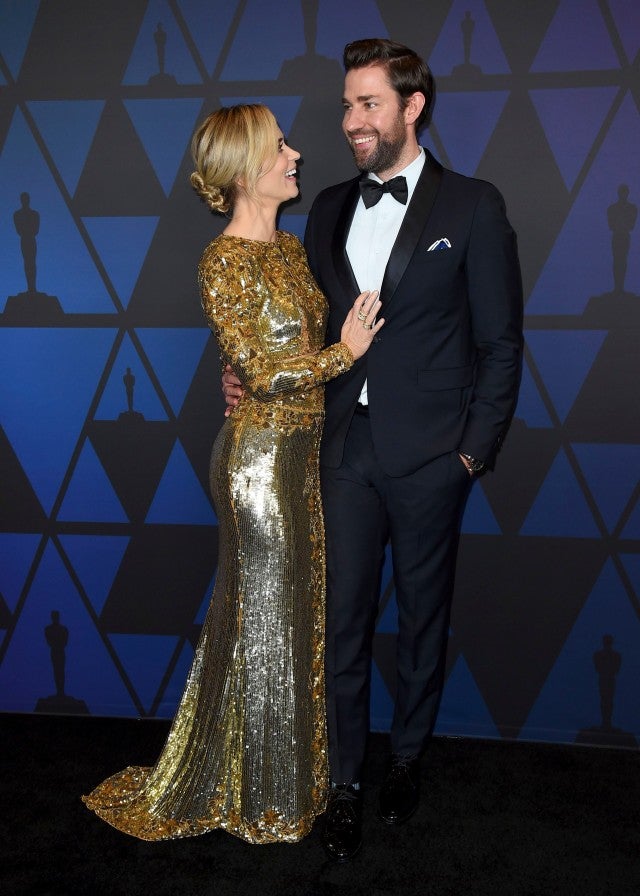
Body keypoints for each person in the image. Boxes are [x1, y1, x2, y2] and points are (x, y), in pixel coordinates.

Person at [223, 38, 523, 861]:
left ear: (411, 107)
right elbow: (296, 329)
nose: (351, 121)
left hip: (433, 460)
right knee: (341, 624)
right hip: (342, 451)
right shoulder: (321, 208)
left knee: (424, 623)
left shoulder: (472, 206)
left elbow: (501, 345)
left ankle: (407, 762)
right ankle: (345, 780)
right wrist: (245, 374)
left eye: (368, 106)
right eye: (348, 105)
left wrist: (470, 456)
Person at [82, 103, 383, 844]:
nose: (296, 153)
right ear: (249, 168)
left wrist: (304, 364)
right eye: (280, 145)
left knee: (287, 622)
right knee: (271, 626)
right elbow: (261, 369)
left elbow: (257, 360)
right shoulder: (222, 260)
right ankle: (268, 802)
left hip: (300, 459)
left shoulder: (287, 247)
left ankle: (286, 781)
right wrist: (344, 352)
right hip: (256, 468)